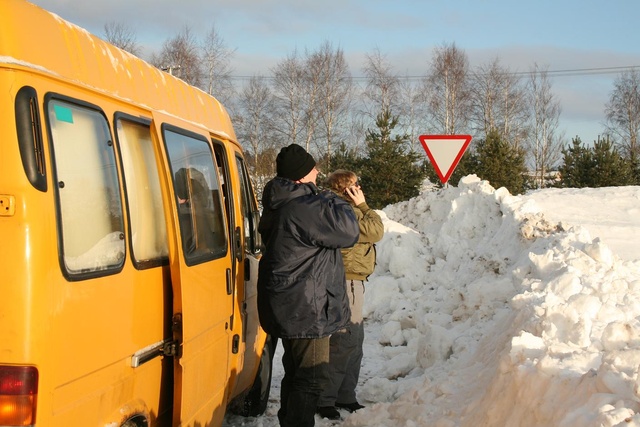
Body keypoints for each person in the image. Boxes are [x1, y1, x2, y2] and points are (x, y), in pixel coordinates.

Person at [257, 144, 360, 427]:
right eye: (313, 168)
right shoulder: (305, 206)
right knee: (311, 379)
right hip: (306, 306)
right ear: (301, 176)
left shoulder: (280, 201)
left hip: (287, 301)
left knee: (295, 374)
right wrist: (338, 199)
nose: (318, 172)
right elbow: (349, 232)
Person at [316, 169, 384, 420]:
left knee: (355, 342)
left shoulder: (343, 208)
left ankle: (346, 395)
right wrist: (363, 204)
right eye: (357, 184)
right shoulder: (343, 210)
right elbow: (376, 230)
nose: (360, 187)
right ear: (347, 188)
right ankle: (326, 399)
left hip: (354, 281)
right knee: (344, 341)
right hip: (344, 281)